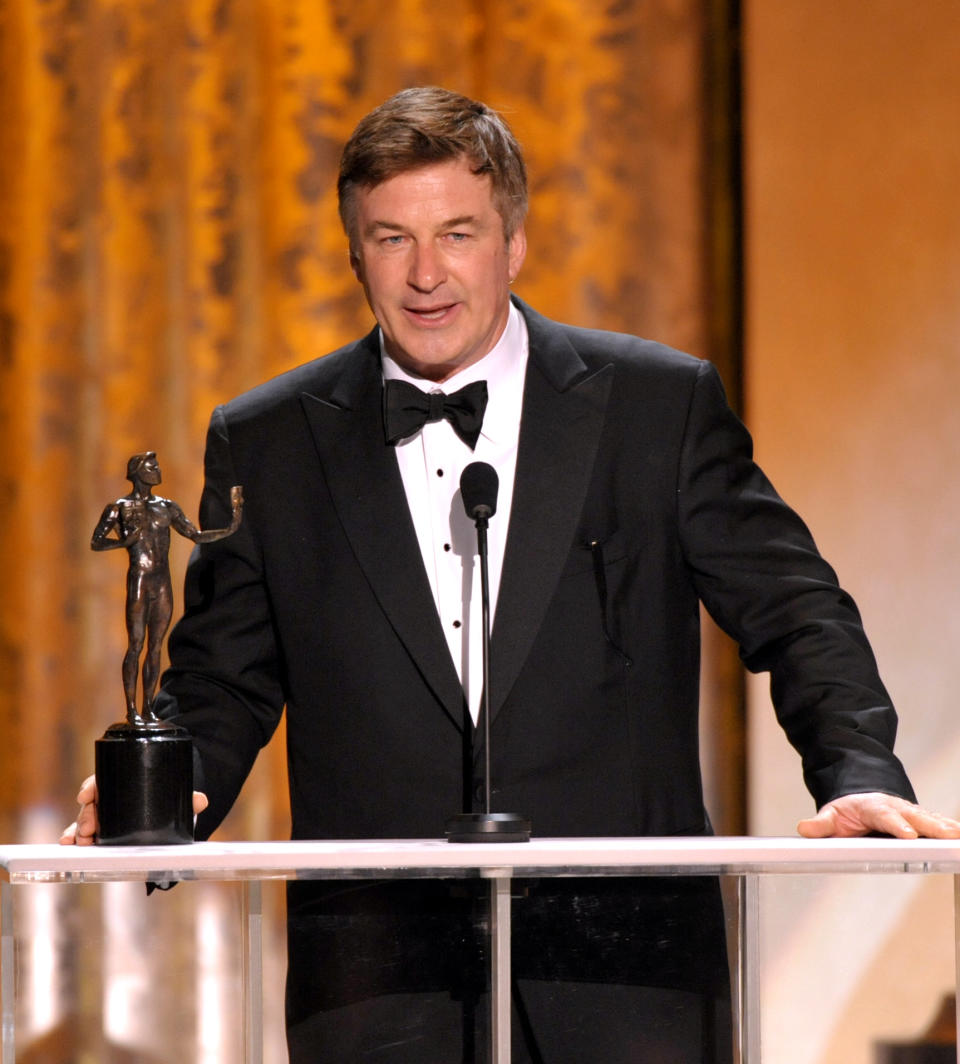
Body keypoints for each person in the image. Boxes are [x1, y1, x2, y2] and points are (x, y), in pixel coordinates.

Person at [63, 87, 960, 1061]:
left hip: (627, 976)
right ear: (355, 251)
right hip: (381, 982)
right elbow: (222, 678)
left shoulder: (654, 407)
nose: (426, 273)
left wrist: (856, 770)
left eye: (457, 232)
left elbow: (796, 608)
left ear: (514, 241)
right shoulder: (271, 439)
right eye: (392, 237)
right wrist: (160, 794)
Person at [90, 452, 243, 723]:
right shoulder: (120, 508)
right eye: (152, 466)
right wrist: (124, 543)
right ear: (138, 472)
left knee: (157, 646)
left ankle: (148, 707)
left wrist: (231, 527)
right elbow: (96, 541)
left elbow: (195, 534)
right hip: (140, 579)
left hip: (161, 582)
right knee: (136, 644)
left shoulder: (167, 507)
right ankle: (132, 710)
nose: (158, 470)